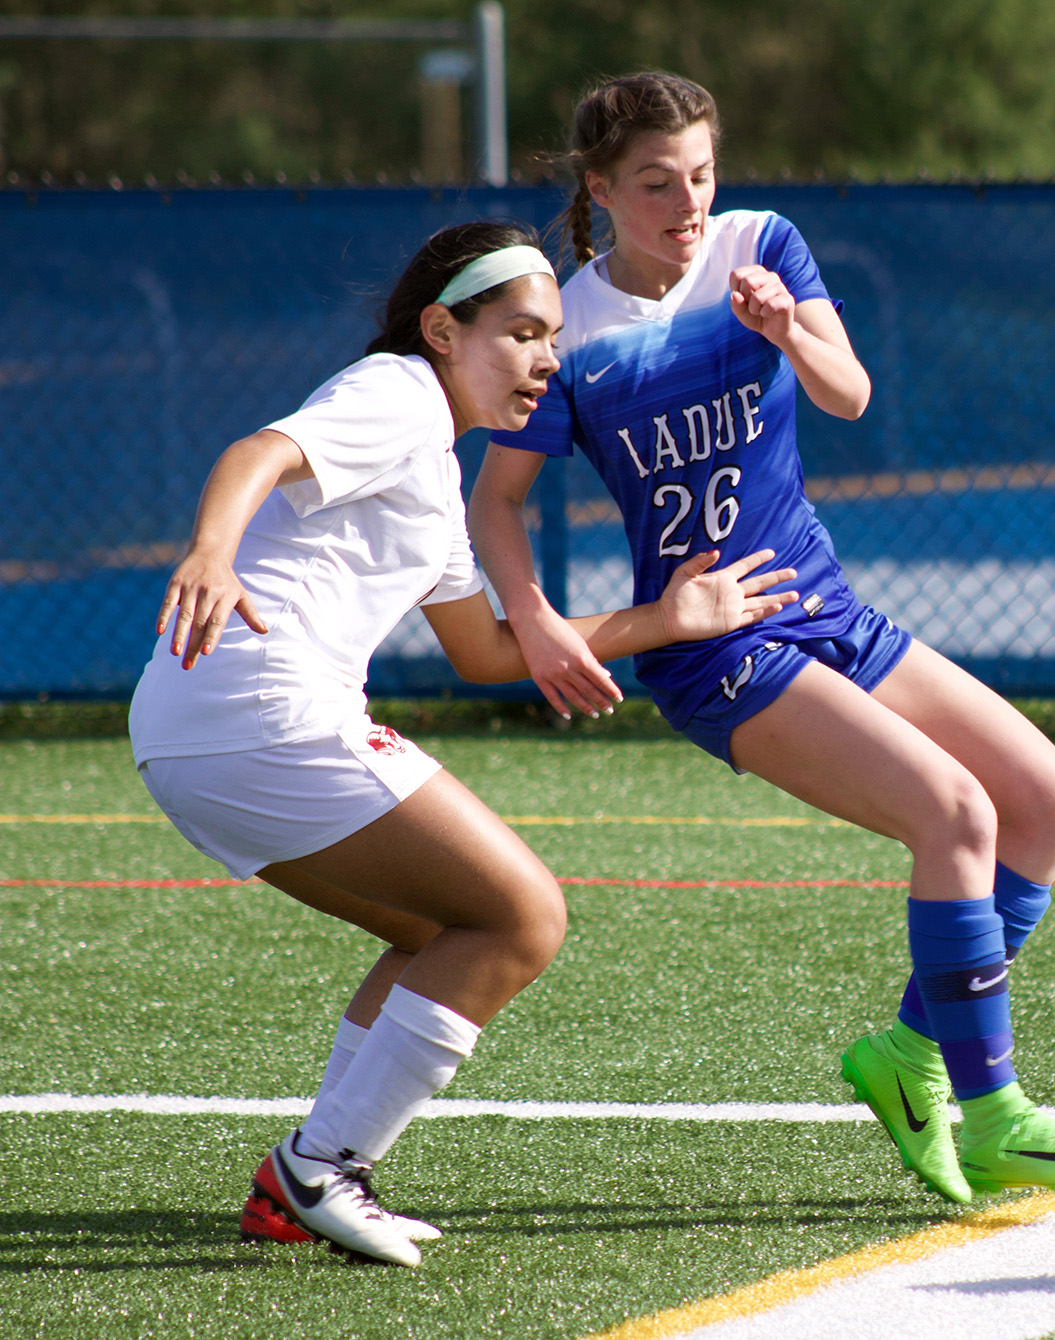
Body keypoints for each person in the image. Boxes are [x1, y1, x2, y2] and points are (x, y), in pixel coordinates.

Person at [470, 73, 1055, 1206]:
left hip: (821, 605)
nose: (688, 202)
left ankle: (910, 1056)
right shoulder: (567, 329)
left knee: (1050, 803)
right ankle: (995, 1107)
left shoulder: (764, 246)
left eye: (703, 174)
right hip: (714, 648)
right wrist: (534, 620)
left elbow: (851, 393)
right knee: (954, 812)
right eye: (658, 182)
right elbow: (497, 503)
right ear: (600, 189)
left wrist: (787, 331)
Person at [127, 218, 797, 1266]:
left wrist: (670, 617)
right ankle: (320, 1167)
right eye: (521, 333)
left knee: (444, 931)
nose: (545, 360)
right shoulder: (395, 394)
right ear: (442, 328)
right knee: (524, 914)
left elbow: (485, 650)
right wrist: (212, 549)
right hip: (260, 712)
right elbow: (259, 450)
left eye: (554, 339)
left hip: (204, 728)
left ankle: (301, 1177)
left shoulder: (435, 465)